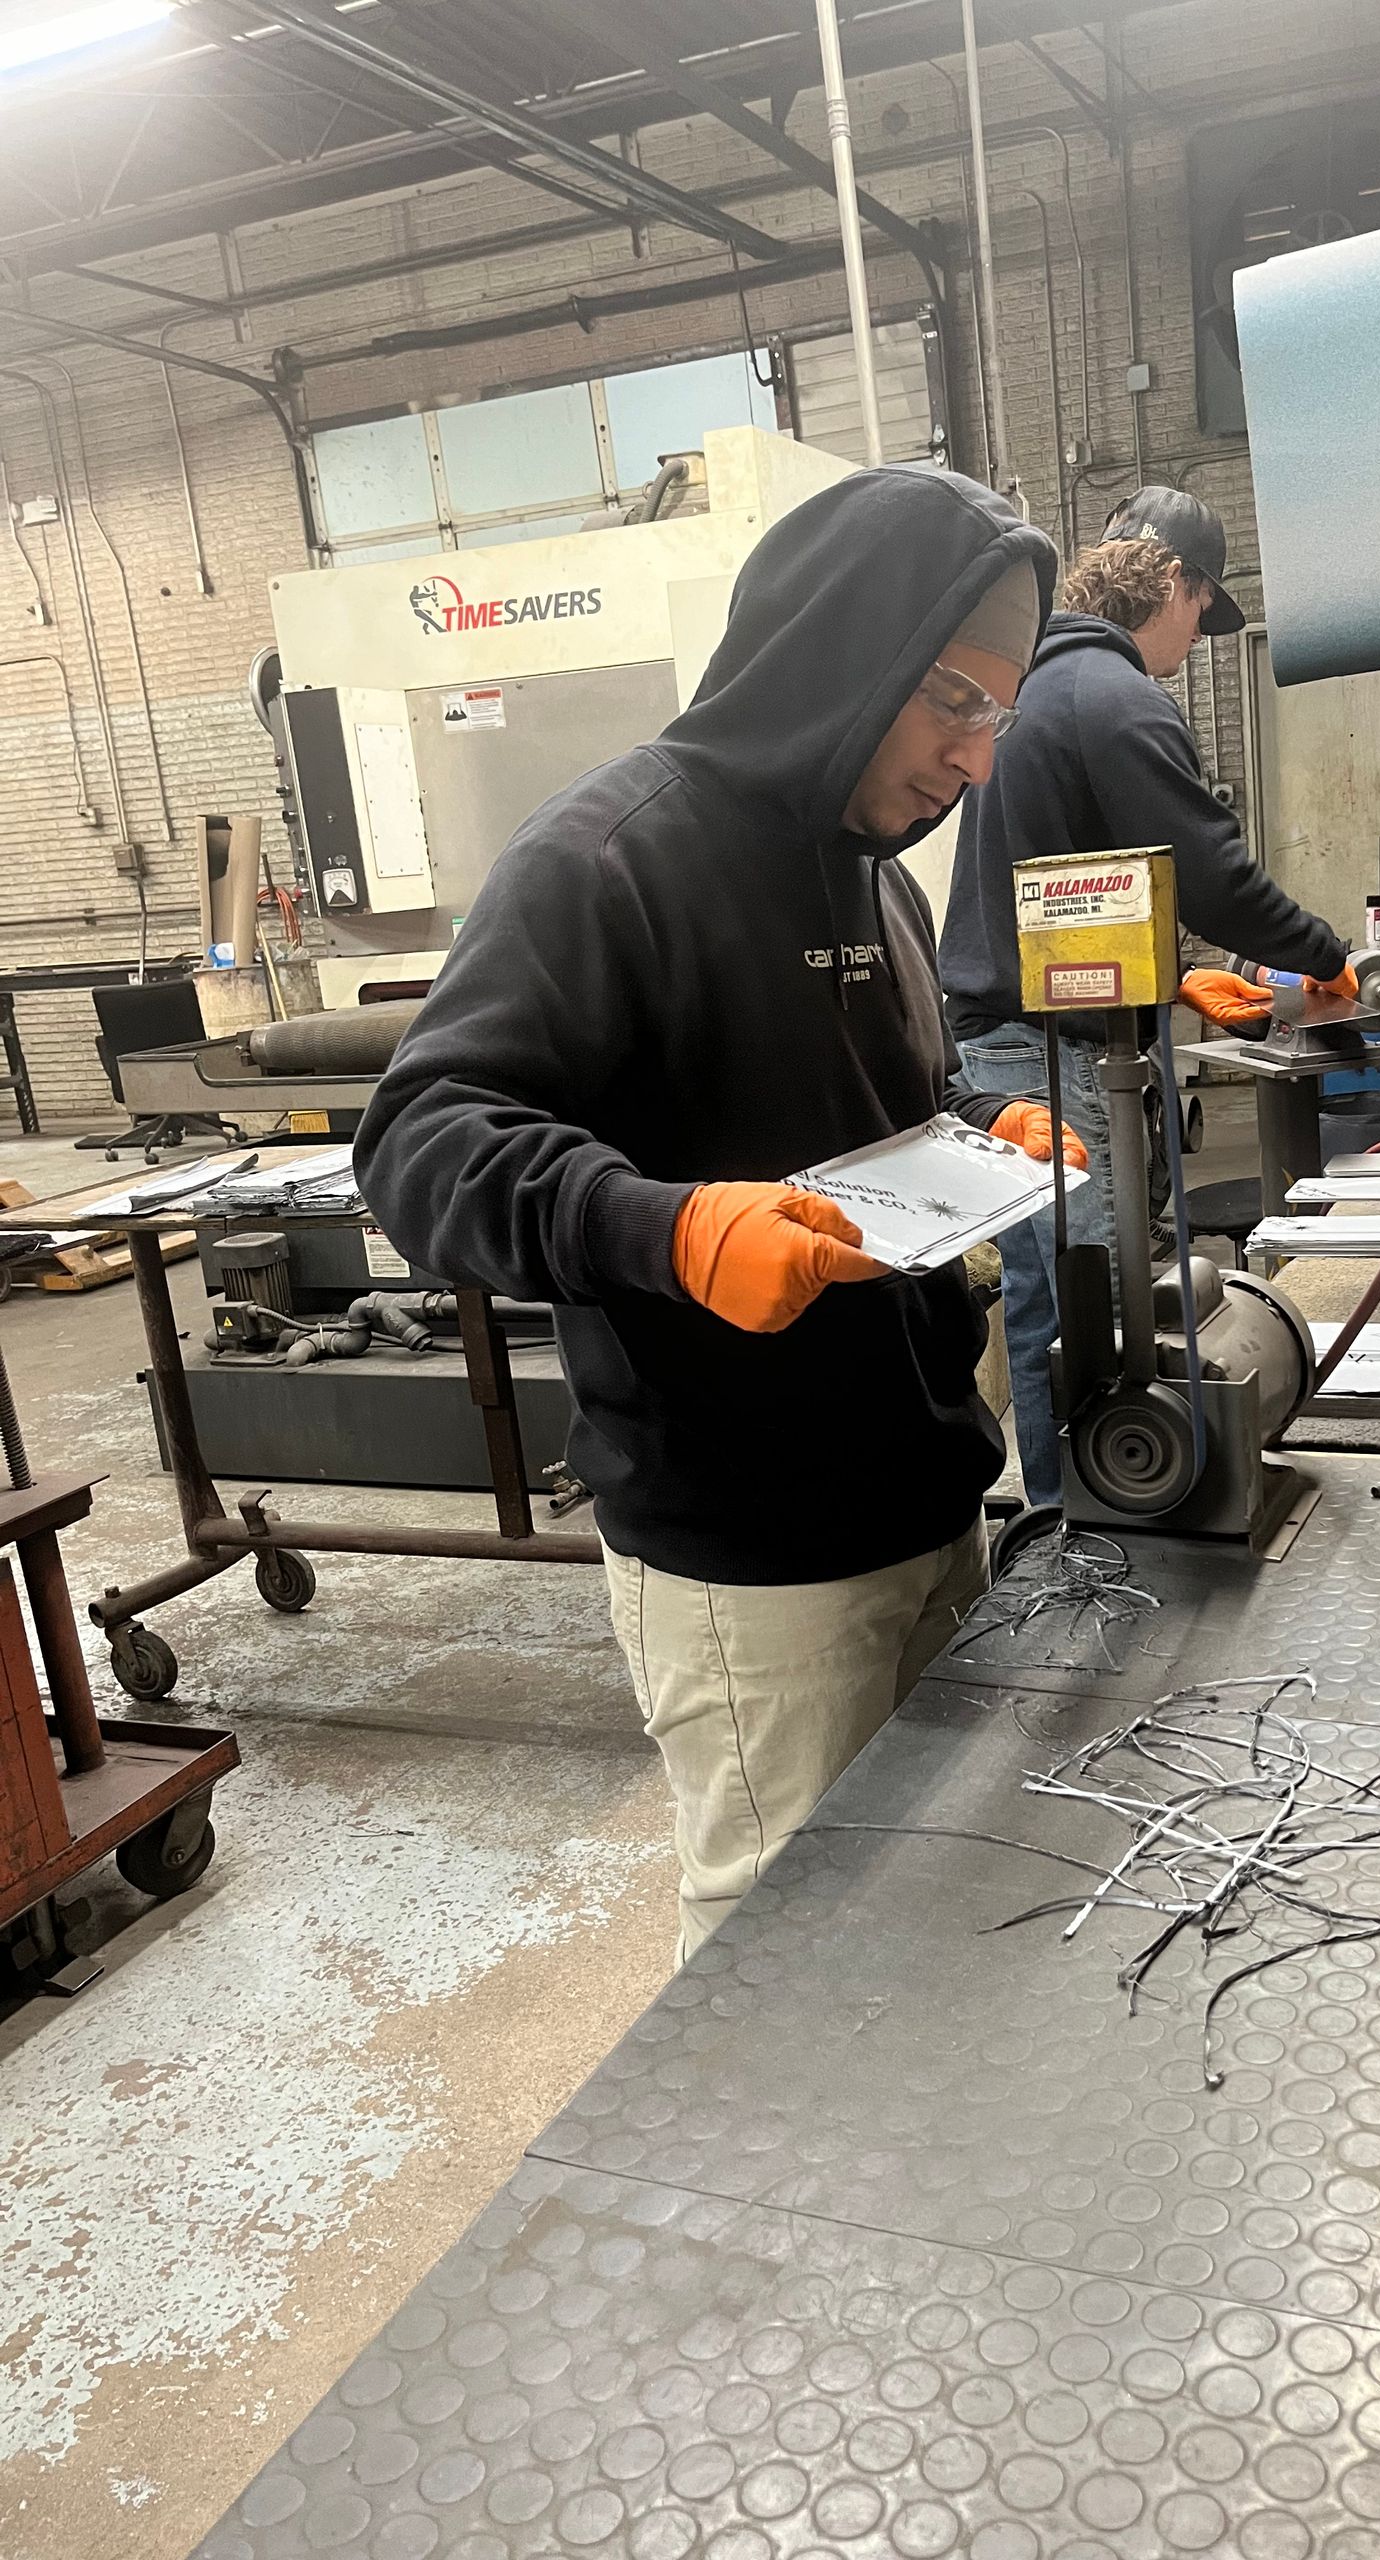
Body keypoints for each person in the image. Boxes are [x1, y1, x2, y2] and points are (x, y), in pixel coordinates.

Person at [355, 466, 1073, 1959]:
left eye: (995, 712)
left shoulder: (884, 888)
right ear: (841, 650)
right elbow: (421, 1141)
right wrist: (662, 1229)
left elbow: (876, 1116)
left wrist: (973, 1131)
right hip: (751, 1551)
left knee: (927, 1910)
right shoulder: (608, 860)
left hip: (930, 1498)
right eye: (952, 699)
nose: (976, 758)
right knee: (782, 1964)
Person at [939, 486, 1355, 1507]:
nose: (1192, 645)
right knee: (1094, 1314)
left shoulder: (1036, 690)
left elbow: (1082, 893)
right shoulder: (1113, 696)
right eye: (1199, 620)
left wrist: (1170, 980)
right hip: (1053, 1056)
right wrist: (1324, 955)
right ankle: (1084, 1534)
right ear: (1176, 582)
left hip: (1028, 1038)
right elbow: (1210, 869)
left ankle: (1071, 1519)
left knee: (1061, 1305)